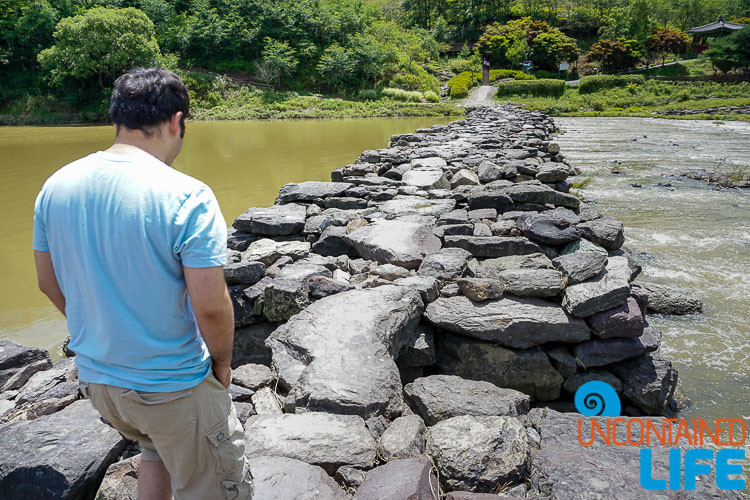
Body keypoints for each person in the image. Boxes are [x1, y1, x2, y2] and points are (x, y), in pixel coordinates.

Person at [33, 67, 253, 500]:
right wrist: (223, 366)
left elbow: (47, 283)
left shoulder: (55, 187)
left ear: (116, 119)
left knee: (155, 450)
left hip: (102, 384)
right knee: (217, 487)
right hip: (171, 387)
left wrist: (99, 329)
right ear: (176, 121)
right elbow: (210, 304)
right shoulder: (187, 195)